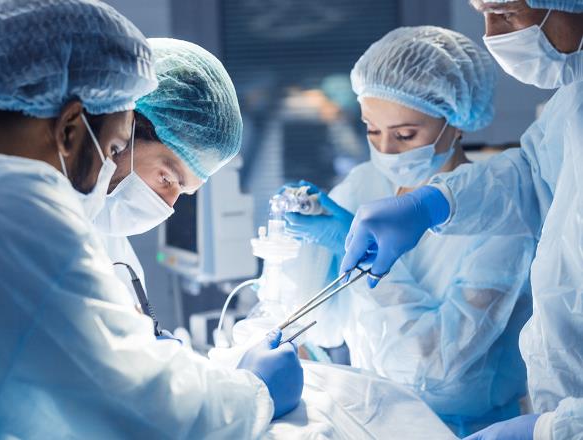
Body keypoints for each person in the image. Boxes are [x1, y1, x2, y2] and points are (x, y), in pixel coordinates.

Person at [0, 1, 302, 438]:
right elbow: (147, 413)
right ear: (70, 128)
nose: (111, 168)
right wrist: (256, 392)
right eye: (111, 150)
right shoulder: (12, 206)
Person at [340, 1, 583, 439]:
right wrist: (438, 202)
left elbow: (435, 360)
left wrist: (558, 429)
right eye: (483, 13)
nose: (492, 34)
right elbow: (528, 176)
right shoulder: (574, 102)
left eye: (506, 11)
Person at [280, 26, 536, 436]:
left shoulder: (502, 215)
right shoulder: (363, 186)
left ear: (456, 120)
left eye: (404, 134)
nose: (385, 150)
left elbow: (433, 363)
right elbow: (324, 327)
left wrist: (370, 265)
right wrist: (299, 246)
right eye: (371, 130)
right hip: (371, 419)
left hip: (465, 429)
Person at [90, 38, 241, 304]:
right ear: (125, 128)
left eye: (183, 192)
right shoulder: (31, 213)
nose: (167, 206)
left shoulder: (104, 239)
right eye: (167, 178)